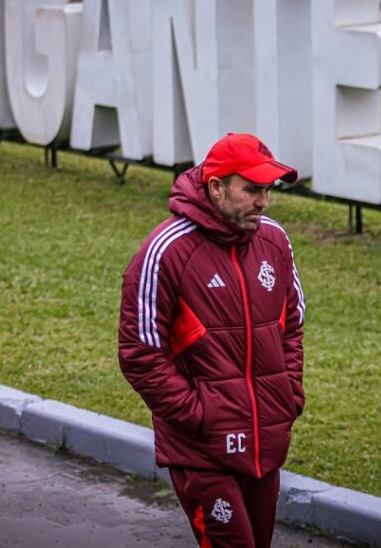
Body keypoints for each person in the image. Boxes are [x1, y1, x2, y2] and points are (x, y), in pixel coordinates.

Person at [119, 133, 306, 548]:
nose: (263, 201)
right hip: (202, 450)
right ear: (216, 188)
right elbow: (139, 354)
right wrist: (198, 414)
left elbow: (291, 326)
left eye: (268, 190)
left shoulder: (275, 241)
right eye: (252, 190)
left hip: (265, 442)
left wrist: (288, 395)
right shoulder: (165, 250)